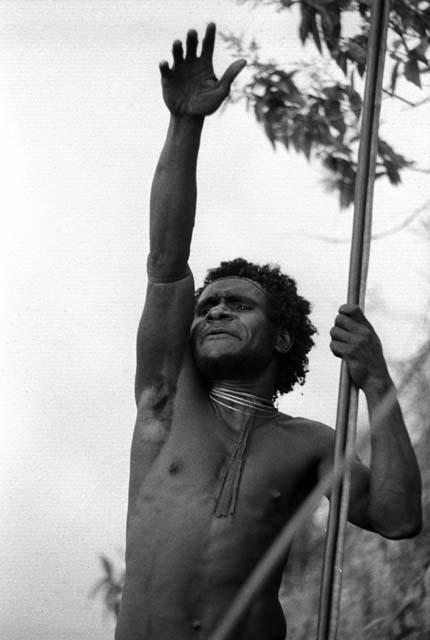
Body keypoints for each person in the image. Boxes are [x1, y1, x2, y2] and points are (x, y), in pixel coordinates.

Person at [115, 23, 422, 640]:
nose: (214, 312)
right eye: (207, 307)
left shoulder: (310, 443)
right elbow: (166, 262)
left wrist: (376, 382)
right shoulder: (166, 403)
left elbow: (396, 517)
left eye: (237, 305)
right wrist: (185, 126)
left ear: (281, 339)